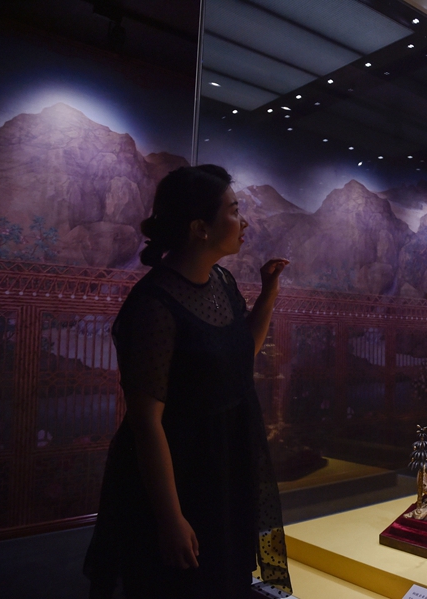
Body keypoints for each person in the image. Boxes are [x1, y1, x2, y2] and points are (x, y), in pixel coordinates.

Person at [84, 165, 292, 598]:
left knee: (225, 575)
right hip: (181, 471)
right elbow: (146, 422)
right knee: (178, 584)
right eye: (234, 210)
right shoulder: (154, 305)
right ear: (200, 228)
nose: (244, 221)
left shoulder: (222, 282)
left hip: (225, 463)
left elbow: (240, 357)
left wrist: (268, 294)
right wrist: (170, 517)